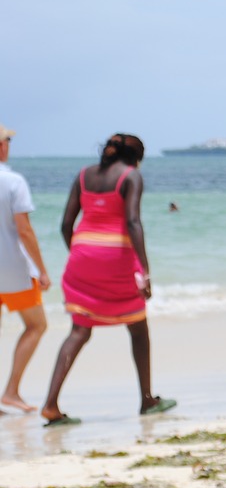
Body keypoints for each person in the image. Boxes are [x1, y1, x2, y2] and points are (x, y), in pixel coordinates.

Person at [40, 133, 176, 426]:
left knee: (78, 331)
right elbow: (132, 222)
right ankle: (147, 399)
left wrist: (80, 254)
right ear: (136, 158)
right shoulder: (131, 176)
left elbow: (65, 224)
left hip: (82, 256)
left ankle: (50, 405)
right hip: (117, 259)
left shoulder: (83, 175)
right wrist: (144, 270)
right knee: (138, 327)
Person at [0, 124, 52, 413]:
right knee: (36, 325)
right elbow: (25, 230)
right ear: (2, 146)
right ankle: (10, 391)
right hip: (13, 270)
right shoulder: (13, 181)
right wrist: (43, 270)